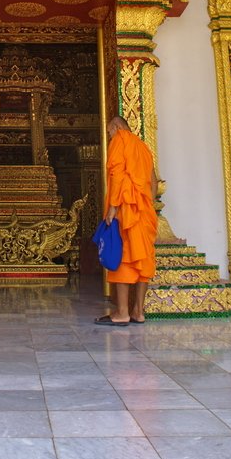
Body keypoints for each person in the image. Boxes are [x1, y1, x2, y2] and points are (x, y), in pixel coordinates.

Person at [95, 116, 157, 326]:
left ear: (117, 127)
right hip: (144, 212)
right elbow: (153, 182)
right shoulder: (144, 148)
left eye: (109, 131)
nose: (110, 136)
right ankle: (138, 311)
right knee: (142, 262)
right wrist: (148, 206)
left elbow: (118, 176)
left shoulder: (121, 139)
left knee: (122, 258)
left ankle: (121, 312)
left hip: (125, 211)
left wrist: (113, 208)